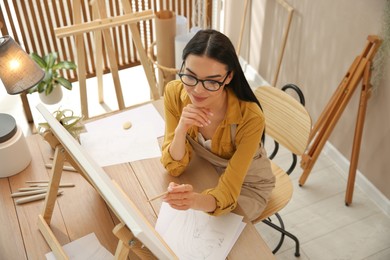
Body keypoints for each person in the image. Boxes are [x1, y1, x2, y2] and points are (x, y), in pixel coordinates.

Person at [160, 29, 275, 221]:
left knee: (209, 231)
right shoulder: (174, 93)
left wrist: (194, 201)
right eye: (190, 76)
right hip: (208, 168)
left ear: (229, 77)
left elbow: (229, 191)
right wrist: (181, 129)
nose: (197, 90)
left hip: (247, 184)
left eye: (211, 82)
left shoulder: (250, 117)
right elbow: (174, 168)